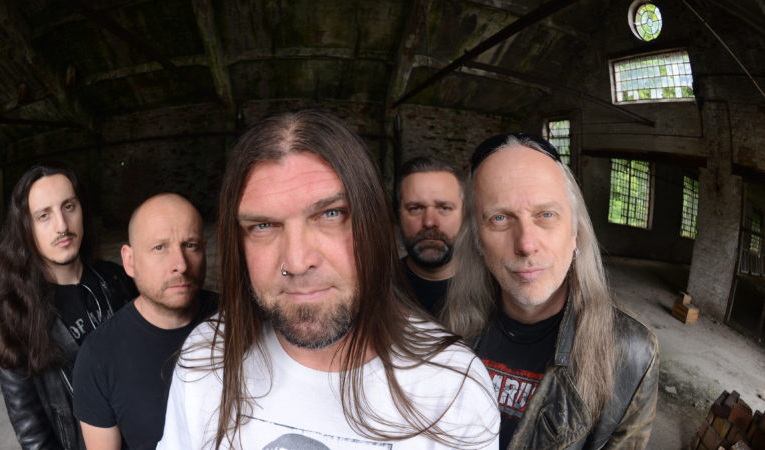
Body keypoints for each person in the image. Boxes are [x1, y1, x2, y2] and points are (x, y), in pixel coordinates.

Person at [159, 110, 499, 449]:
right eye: (263, 225)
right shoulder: (207, 355)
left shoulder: (452, 386)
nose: (296, 262)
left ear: (374, 223)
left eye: (330, 214)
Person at [444, 134, 658, 449]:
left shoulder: (631, 353)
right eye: (500, 218)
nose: (526, 244)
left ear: (575, 233)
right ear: (477, 240)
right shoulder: (448, 327)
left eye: (546, 215)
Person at [0, 163, 137, 450]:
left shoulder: (117, 280)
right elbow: (33, 433)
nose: (62, 226)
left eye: (69, 207)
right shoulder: (13, 318)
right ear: (26, 228)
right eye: (44, 215)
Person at [72, 193, 217, 450]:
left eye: (190, 245)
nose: (181, 265)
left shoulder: (240, 321)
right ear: (129, 261)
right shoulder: (98, 357)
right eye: (159, 247)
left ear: (204, 249)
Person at [397, 156, 465, 316]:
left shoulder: (497, 291)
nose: (429, 222)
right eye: (415, 208)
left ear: (465, 215)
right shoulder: (374, 289)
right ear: (398, 215)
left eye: (444, 208)